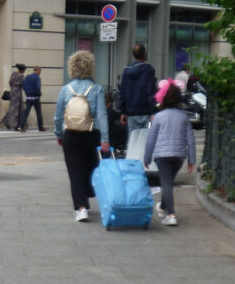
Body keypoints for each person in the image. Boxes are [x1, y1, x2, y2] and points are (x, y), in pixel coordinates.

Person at [54, 50, 110, 223]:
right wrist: (105, 139)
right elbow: (101, 115)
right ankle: (87, 199)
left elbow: (57, 116)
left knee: (75, 172)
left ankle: (81, 208)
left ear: (72, 67)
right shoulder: (97, 89)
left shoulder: (65, 90)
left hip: (71, 134)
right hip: (91, 134)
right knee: (90, 168)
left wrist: (59, 134)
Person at [143, 82, 196, 227]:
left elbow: (151, 140)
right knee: (168, 182)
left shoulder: (159, 117)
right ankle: (162, 207)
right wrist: (192, 160)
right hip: (179, 156)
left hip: (162, 155)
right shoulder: (184, 116)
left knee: (166, 183)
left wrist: (146, 158)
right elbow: (190, 140)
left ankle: (171, 214)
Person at [117, 43, 157, 137]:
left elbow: (122, 92)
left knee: (133, 141)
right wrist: (153, 111)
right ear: (144, 53)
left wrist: (123, 111)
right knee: (145, 142)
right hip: (146, 112)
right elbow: (150, 91)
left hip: (131, 113)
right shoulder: (149, 70)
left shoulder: (126, 71)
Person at [0, 64, 26, 130]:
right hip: (18, 93)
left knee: (12, 108)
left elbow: (10, 82)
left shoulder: (13, 74)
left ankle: (7, 122)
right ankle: (14, 125)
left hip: (12, 92)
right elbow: (23, 84)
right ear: (22, 70)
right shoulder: (21, 76)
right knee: (17, 109)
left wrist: (12, 87)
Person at [20, 66, 45, 132]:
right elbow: (38, 87)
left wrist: (27, 92)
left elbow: (24, 86)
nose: (40, 72)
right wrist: (39, 94)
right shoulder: (37, 78)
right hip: (36, 98)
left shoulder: (27, 77)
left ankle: (21, 126)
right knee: (39, 113)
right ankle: (40, 127)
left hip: (28, 98)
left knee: (26, 113)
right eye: (40, 71)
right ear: (37, 70)